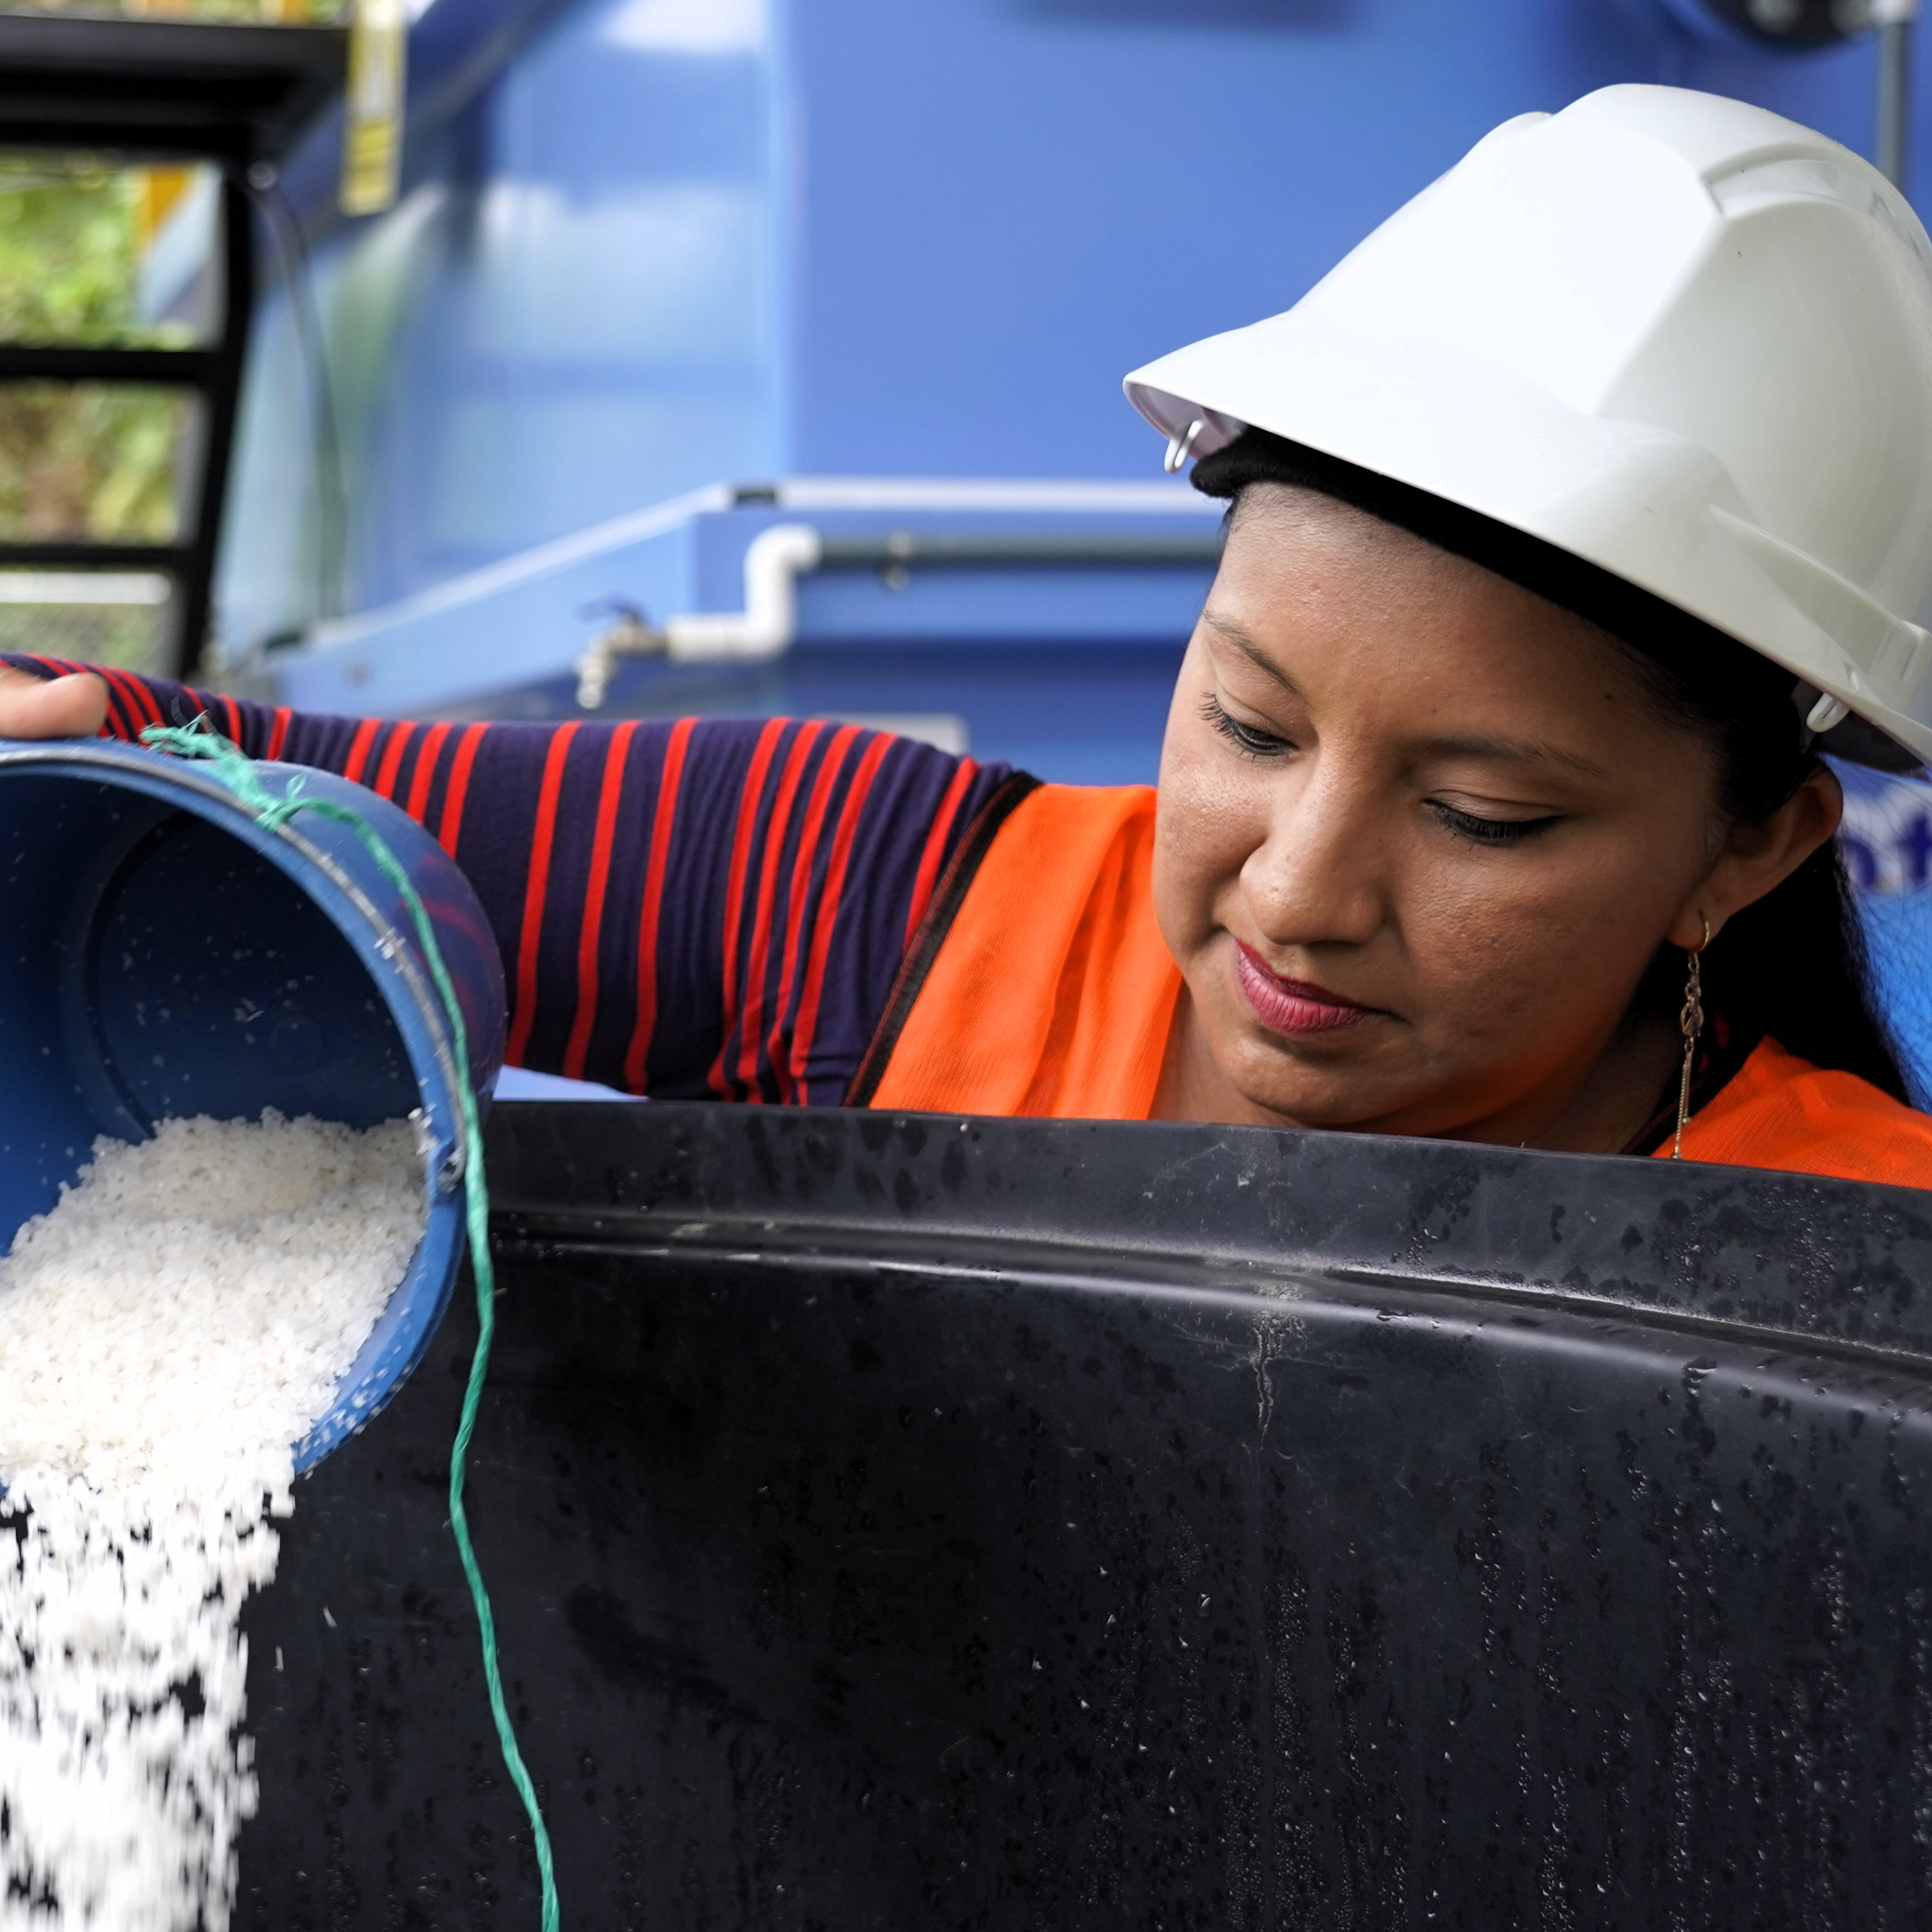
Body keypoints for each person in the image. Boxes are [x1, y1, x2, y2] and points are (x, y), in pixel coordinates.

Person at [6, 84, 1932, 1186]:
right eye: (1251, 725)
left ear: (1750, 846)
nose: (1298, 893)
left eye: (1483, 816)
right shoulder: (868, 901)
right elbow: (235, 787)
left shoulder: (1852, 1269)